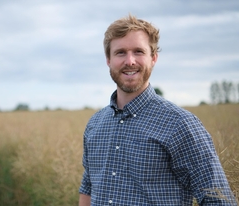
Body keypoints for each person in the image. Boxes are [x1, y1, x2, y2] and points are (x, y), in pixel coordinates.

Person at [78, 14, 236, 205]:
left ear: (153, 58)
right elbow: (88, 187)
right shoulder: (95, 124)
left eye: (138, 51)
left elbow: (218, 198)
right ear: (108, 60)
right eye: (120, 52)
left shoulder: (180, 124)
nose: (130, 61)